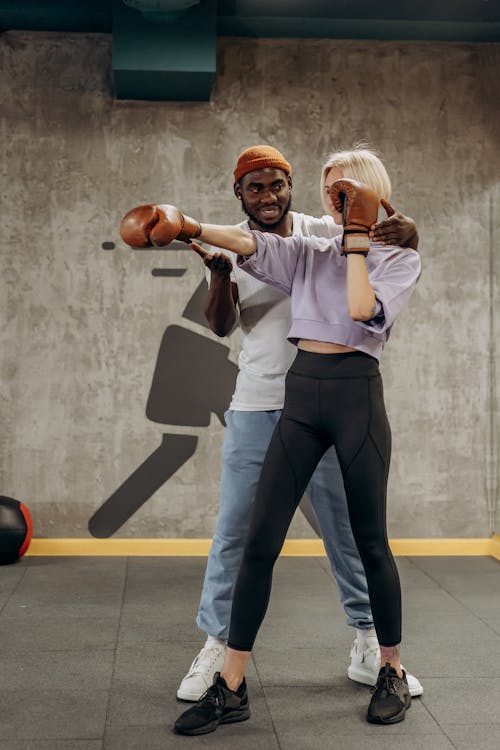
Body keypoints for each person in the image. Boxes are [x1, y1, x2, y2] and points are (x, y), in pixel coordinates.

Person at [118, 147, 422, 733]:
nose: (335, 195)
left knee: (367, 542)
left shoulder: (395, 258)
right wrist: (182, 224)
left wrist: (367, 232)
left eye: (349, 188)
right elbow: (252, 246)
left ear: (374, 194)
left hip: (355, 396)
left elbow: (363, 309)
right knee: (255, 540)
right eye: (330, 186)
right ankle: (229, 683)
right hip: (293, 397)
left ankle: (387, 666)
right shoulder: (306, 250)